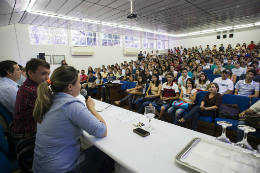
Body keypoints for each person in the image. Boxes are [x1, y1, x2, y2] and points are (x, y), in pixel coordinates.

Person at [32, 66, 110, 173]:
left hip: (41, 167)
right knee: (105, 150)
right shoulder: (71, 105)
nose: (81, 85)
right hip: (63, 169)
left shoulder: (48, 99)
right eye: (78, 82)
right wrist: (91, 108)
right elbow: (102, 131)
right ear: (70, 86)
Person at [10, 59, 50, 153]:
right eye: (44, 74)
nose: (47, 78)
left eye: (48, 74)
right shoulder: (33, 91)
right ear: (30, 73)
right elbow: (52, 112)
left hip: (21, 132)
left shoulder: (27, 86)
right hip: (28, 138)